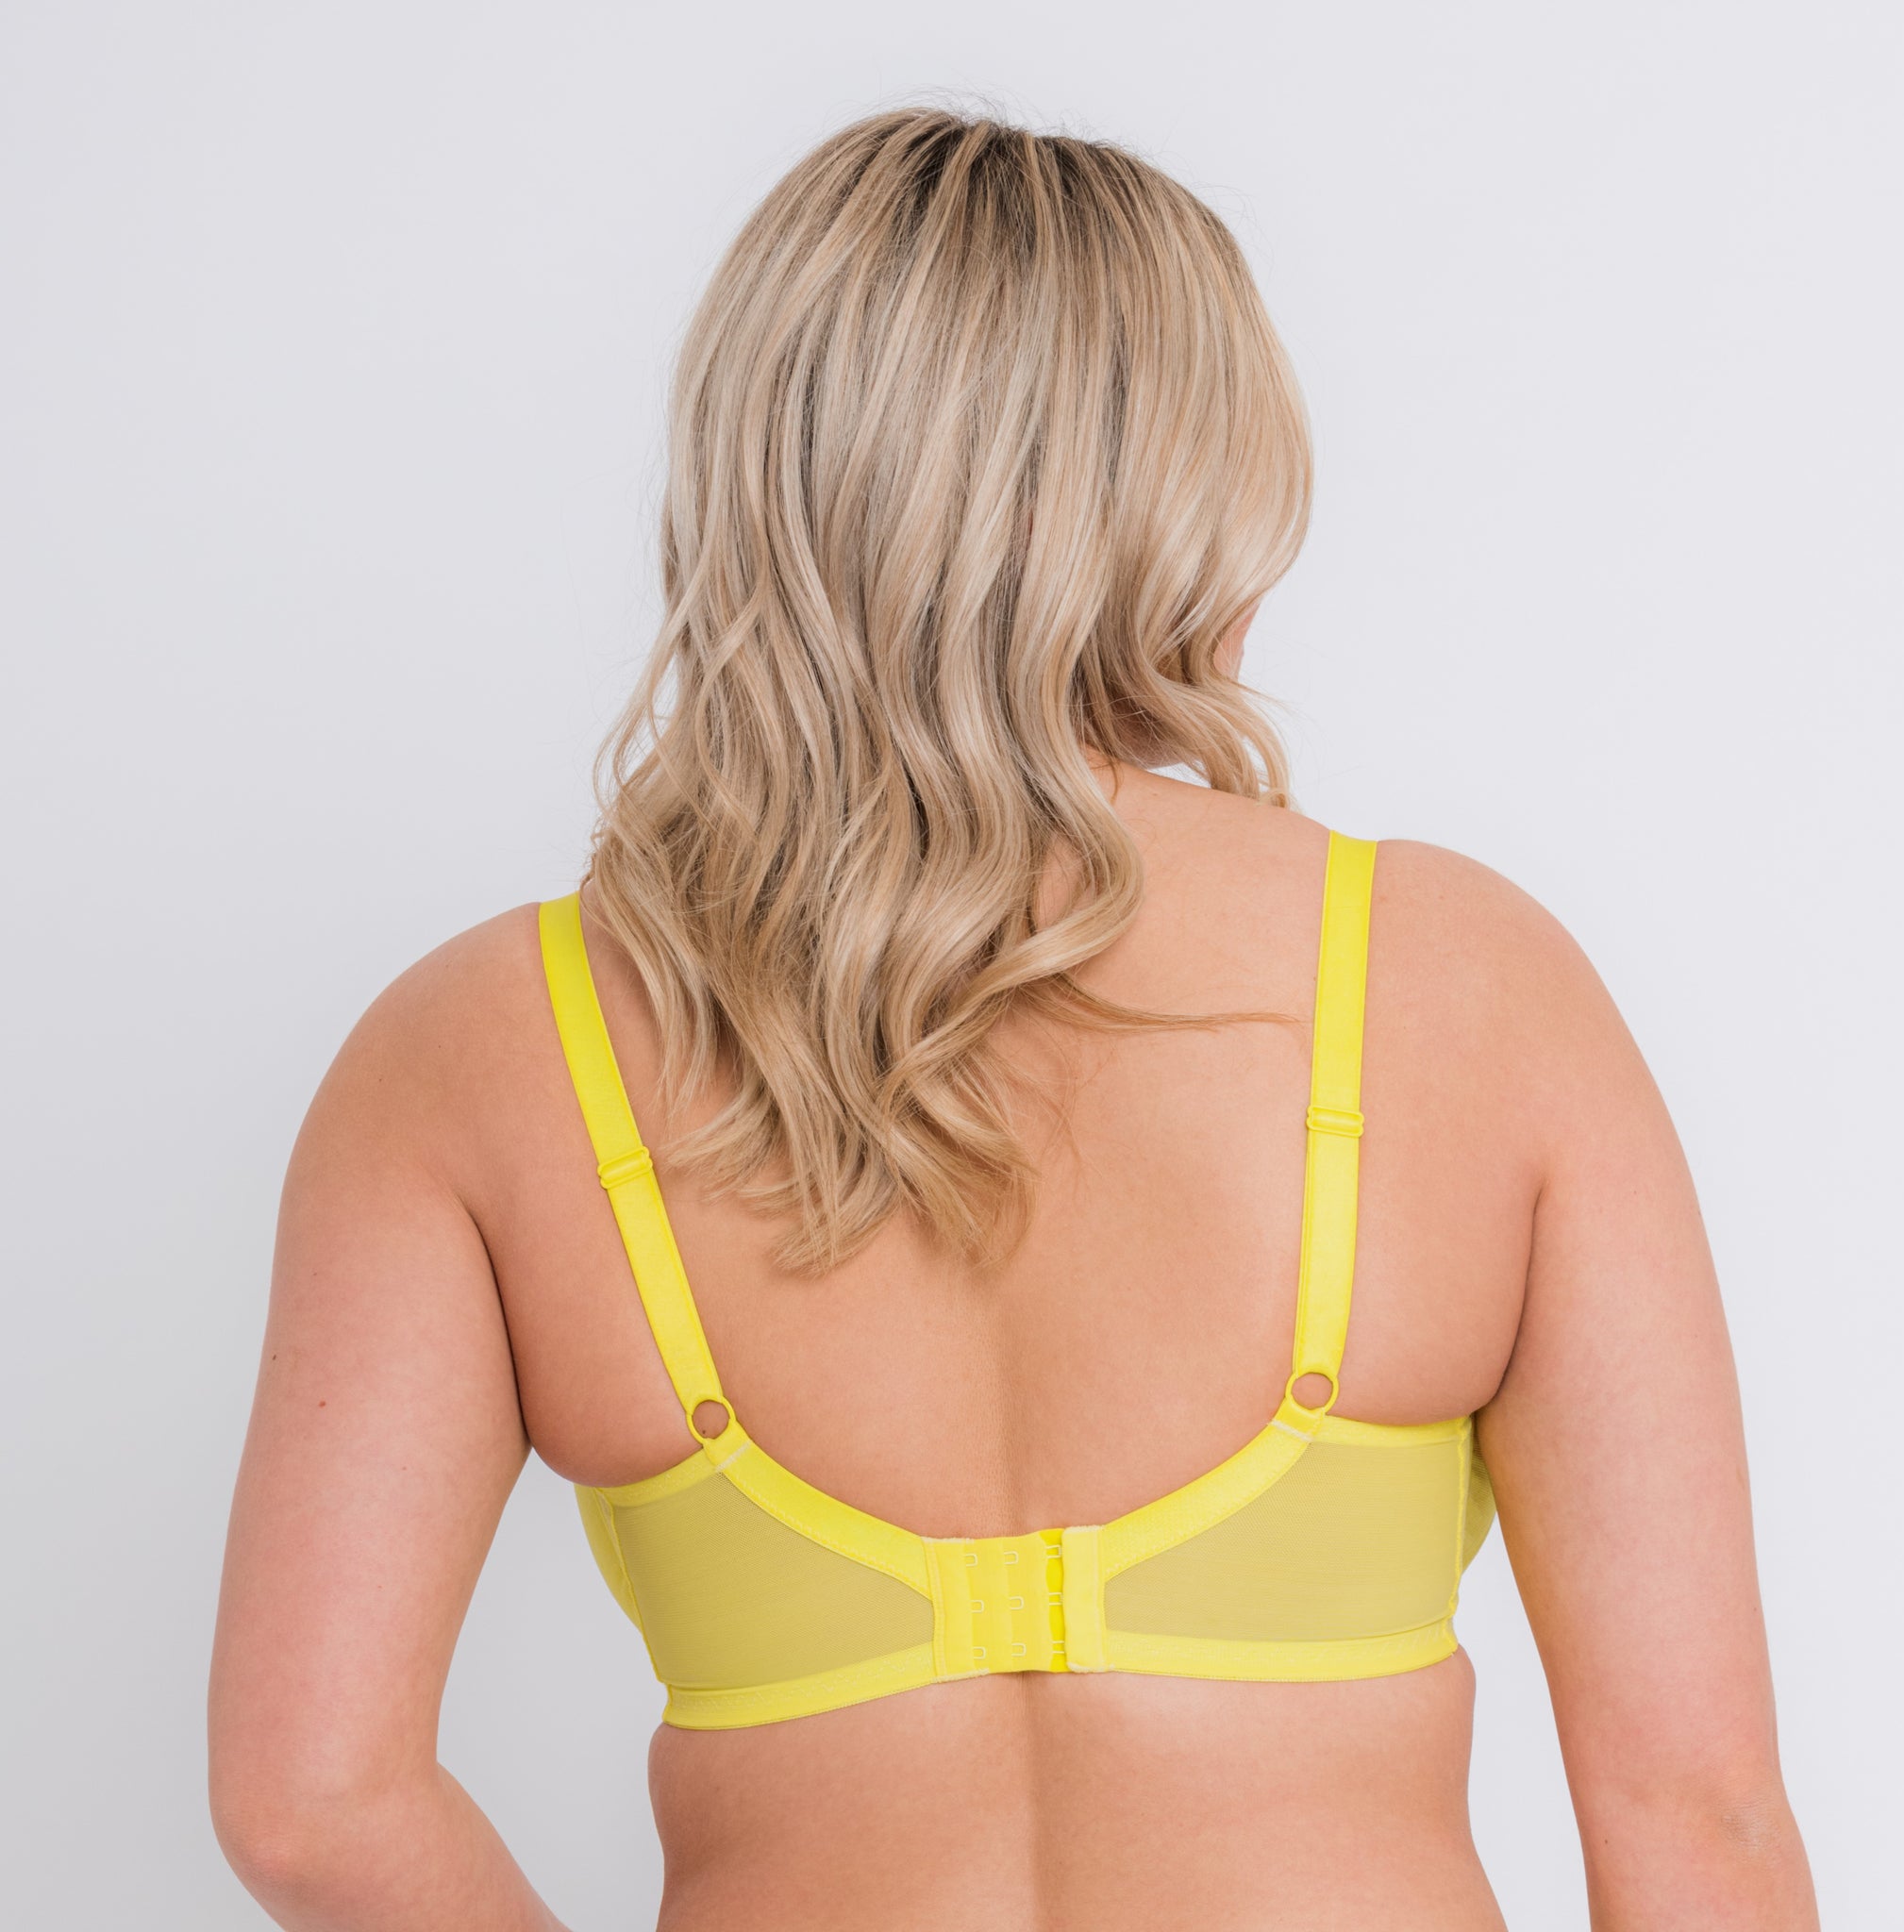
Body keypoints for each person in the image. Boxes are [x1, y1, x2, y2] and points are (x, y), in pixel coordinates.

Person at [208, 109, 1817, 1930]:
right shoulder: (1471, 988)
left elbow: (312, 1803)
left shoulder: (483, 1051)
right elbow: (1700, 1821)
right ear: (1192, 494)